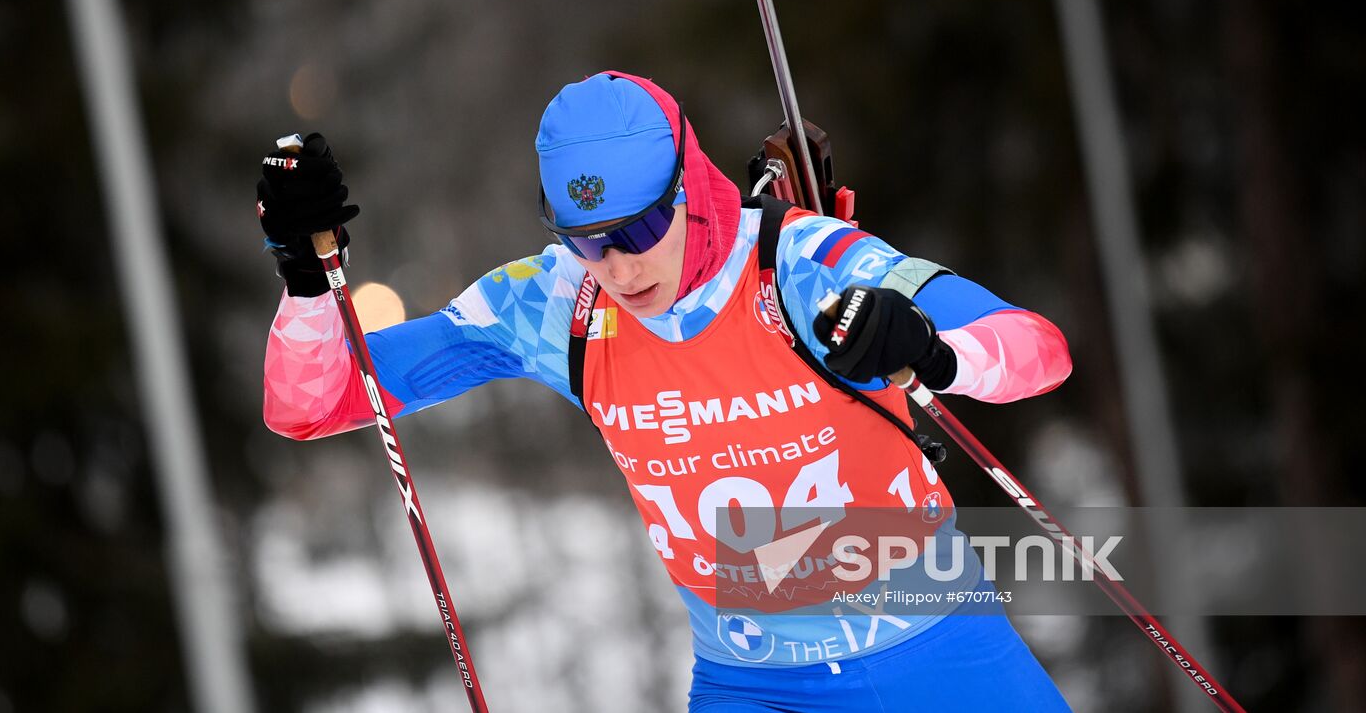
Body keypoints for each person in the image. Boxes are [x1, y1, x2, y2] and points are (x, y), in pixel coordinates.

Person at [257, 71, 1075, 711]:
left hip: (935, 646)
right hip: (753, 684)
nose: (621, 267)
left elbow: (1039, 348)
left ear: (689, 186)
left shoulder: (801, 262)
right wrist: (305, 281)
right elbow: (315, 402)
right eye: (586, 241)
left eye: (643, 229)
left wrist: (932, 350)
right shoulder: (555, 304)